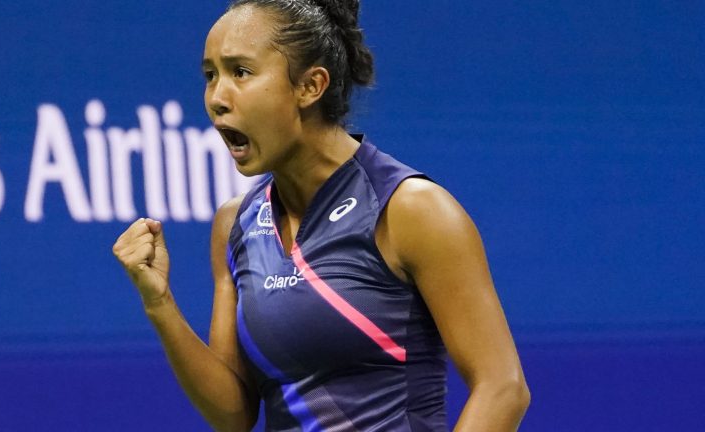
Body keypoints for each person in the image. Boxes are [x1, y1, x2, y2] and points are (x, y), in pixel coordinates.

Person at [113, 0, 530, 430]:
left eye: (241, 72)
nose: (217, 98)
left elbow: (501, 386)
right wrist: (159, 302)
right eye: (210, 75)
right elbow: (233, 414)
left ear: (310, 86)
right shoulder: (235, 224)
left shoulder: (408, 209)